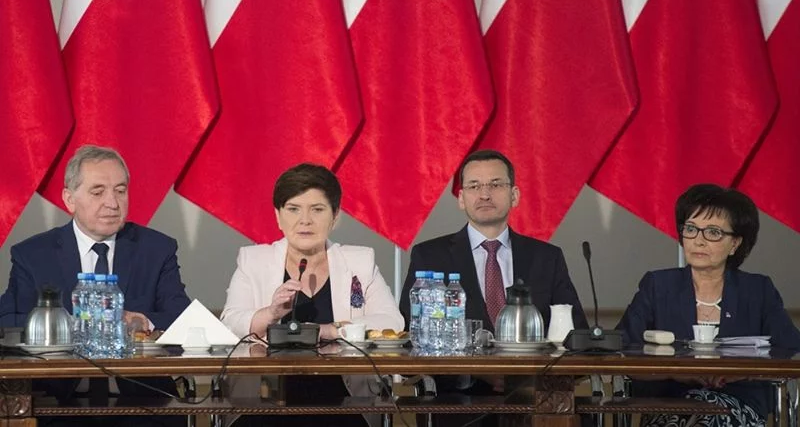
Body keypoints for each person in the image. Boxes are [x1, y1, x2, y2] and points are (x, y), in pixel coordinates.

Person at [0, 145, 191, 426]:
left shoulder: (156, 248)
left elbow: (182, 315)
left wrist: (143, 321)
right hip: (57, 401)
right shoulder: (34, 255)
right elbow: (7, 322)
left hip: (143, 399)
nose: (112, 203)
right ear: (69, 199)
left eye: (121, 190)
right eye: (98, 191)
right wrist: (73, 325)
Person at [398, 149, 588, 427]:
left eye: (496, 185)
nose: (484, 194)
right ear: (461, 199)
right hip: (460, 400)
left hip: (536, 398)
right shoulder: (430, 256)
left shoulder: (546, 257)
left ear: (515, 195)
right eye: (474, 186)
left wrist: (526, 373)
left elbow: (575, 332)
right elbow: (412, 334)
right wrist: (478, 371)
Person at [221, 163, 404, 427]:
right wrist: (270, 313)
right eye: (293, 209)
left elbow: (392, 322)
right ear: (278, 216)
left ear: (335, 216)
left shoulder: (359, 261)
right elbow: (229, 322)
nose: (305, 220)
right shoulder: (254, 260)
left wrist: (331, 330)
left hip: (346, 403)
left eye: (317, 209)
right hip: (265, 404)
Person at [616, 183, 800, 427]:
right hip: (669, 403)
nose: (698, 241)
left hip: (738, 402)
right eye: (691, 229)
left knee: (707, 420)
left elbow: (791, 351)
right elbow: (621, 350)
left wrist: (740, 372)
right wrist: (676, 372)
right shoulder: (658, 285)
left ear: (735, 243)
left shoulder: (757, 290)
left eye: (713, 232)